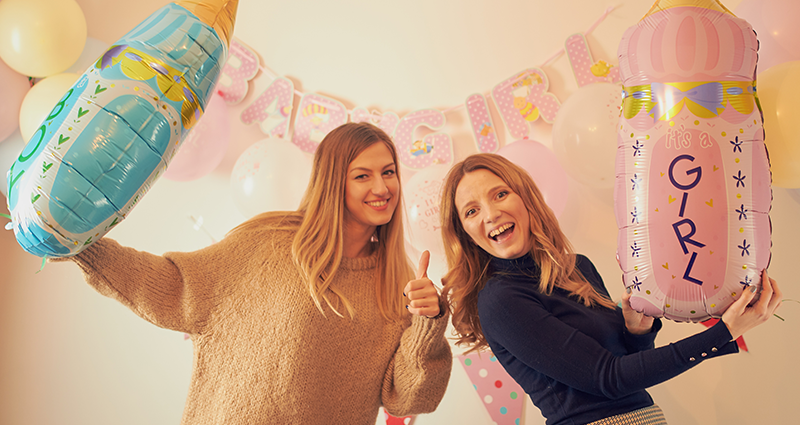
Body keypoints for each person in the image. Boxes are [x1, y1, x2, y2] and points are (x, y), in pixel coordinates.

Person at [52, 122, 452, 425]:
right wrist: (84, 247)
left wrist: (428, 323)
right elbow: (173, 288)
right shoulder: (272, 242)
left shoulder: (399, 283)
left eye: (389, 172)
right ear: (333, 181)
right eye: (362, 175)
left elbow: (408, 399)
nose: (382, 186)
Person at [438, 153, 781, 425]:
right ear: (465, 231)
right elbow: (608, 379)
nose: (491, 214)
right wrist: (724, 332)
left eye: (500, 194)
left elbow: (627, 364)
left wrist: (636, 330)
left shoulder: (577, 267)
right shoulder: (500, 300)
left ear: (525, 198)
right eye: (471, 211)